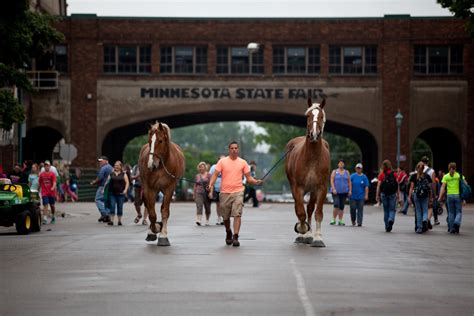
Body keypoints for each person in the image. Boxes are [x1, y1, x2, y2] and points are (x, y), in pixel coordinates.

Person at [207, 141, 263, 247]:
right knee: (226, 217)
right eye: (232, 148)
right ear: (229, 149)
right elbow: (214, 175)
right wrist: (211, 185)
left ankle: (236, 236)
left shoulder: (243, 163)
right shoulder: (222, 162)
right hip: (224, 193)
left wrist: (256, 181)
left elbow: (249, 178)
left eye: (236, 148)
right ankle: (228, 231)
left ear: (238, 150)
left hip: (238, 192)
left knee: (237, 214)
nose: (234, 150)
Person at [438, 162, 467, 234]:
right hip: (457, 195)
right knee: (458, 211)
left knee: (451, 213)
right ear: (455, 168)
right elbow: (465, 184)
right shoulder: (459, 175)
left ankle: (451, 228)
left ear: (448, 168)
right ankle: (456, 223)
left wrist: (440, 197)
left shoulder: (446, 176)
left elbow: (443, 187)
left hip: (449, 196)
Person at [408, 162, 433, 234]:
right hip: (425, 195)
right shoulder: (427, 176)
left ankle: (419, 228)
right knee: (425, 210)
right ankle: (425, 220)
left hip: (416, 195)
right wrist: (431, 197)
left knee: (418, 211)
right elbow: (430, 188)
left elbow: (411, 187)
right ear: (423, 168)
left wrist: (409, 197)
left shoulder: (414, 176)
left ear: (417, 168)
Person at [376, 159, 399, 232]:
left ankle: (387, 226)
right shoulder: (394, 174)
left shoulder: (381, 174)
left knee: (386, 210)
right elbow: (397, 185)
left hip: (384, 194)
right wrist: (398, 194)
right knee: (392, 209)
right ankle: (391, 219)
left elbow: (378, 186)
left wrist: (377, 195)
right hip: (392, 194)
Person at [90, 156, 113, 223]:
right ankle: (107, 215)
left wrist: (93, 182)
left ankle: (104, 213)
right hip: (110, 186)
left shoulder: (103, 168)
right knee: (106, 201)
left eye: (101, 161)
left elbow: (100, 177)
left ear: (106, 161)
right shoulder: (111, 167)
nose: (100, 162)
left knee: (98, 199)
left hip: (103, 186)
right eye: (99, 161)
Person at [106, 161, 129, 226]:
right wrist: (104, 189)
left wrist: (125, 190)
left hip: (121, 194)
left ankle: (119, 221)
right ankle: (111, 221)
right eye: (115, 165)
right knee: (112, 206)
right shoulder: (111, 174)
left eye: (117, 165)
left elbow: (127, 183)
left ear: (120, 166)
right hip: (112, 193)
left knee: (120, 207)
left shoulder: (124, 174)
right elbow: (107, 182)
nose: (116, 166)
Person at [329, 159, 351, 226]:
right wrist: (333, 189)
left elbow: (349, 182)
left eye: (342, 163)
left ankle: (340, 220)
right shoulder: (334, 171)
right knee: (336, 204)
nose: (341, 164)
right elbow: (332, 180)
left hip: (344, 192)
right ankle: (333, 219)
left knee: (341, 206)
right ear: (338, 164)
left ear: (344, 165)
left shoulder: (347, 172)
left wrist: (350, 190)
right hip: (336, 192)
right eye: (340, 163)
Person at [420, 156, 436, 229]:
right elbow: (433, 183)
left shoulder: (418, 169)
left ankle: (422, 221)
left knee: (421, 207)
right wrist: (434, 193)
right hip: (428, 190)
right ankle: (428, 219)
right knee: (430, 207)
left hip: (419, 191)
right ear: (428, 162)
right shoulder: (432, 171)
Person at [193, 161, 212, 226]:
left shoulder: (209, 175)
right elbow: (195, 185)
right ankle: (199, 220)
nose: (201, 168)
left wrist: (211, 192)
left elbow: (211, 184)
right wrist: (194, 193)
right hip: (199, 192)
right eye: (200, 167)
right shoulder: (197, 176)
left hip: (207, 193)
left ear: (205, 167)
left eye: (202, 167)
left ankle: (207, 220)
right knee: (199, 206)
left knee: (207, 207)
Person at [209, 155, 225, 225]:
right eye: (221, 160)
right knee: (218, 204)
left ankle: (224, 217)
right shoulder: (214, 167)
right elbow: (210, 177)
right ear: (218, 160)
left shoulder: (227, 167)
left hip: (225, 189)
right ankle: (219, 217)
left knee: (224, 204)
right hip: (216, 188)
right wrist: (210, 189)